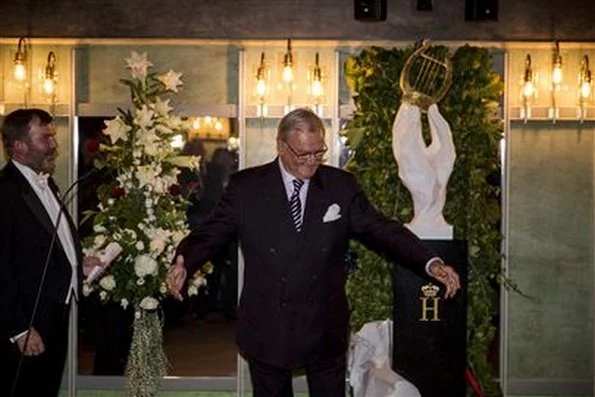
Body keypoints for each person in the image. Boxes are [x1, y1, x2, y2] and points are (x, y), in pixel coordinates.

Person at [167, 108, 461, 397]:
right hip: (268, 322)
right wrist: (185, 260)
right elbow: (211, 233)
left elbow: (382, 230)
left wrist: (429, 260)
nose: (311, 163)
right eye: (302, 155)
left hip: (324, 322)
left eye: (318, 153)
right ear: (281, 146)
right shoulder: (246, 187)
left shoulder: (340, 186)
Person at [0, 109, 103, 396]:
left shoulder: (47, 183)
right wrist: (19, 329)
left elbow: (47, 246)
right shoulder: (5, 191)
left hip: (55, 313)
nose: (53, 144)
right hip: (27, 319)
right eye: (45, 138)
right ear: (19, 146)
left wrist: (78, 265)